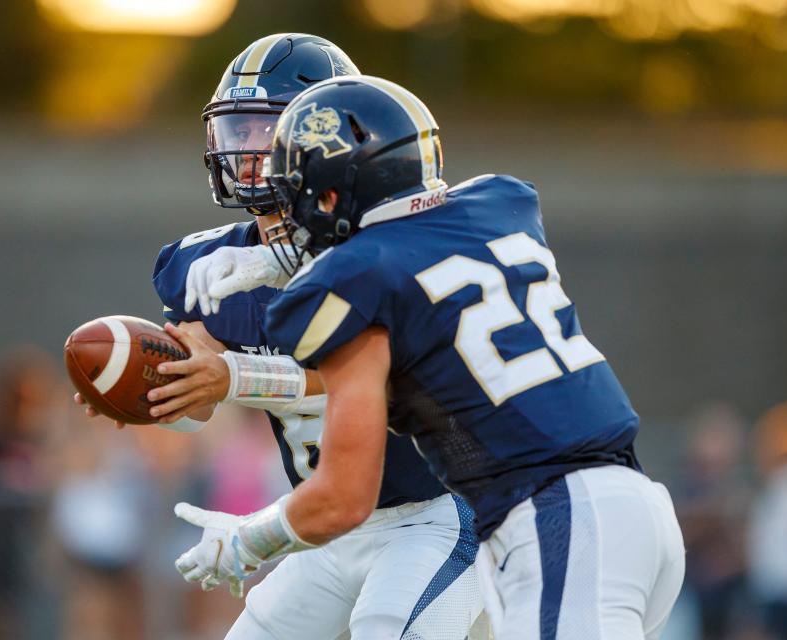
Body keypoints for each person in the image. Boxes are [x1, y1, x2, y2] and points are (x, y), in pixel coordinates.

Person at [167, 75, 686, 639]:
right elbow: (413, 240)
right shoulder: (498, 201)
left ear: (333, 196)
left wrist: (247, 539)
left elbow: (341, 497)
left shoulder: (353, 285)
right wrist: (275, 267)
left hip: (553, 521)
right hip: (630, 506)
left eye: (302, 195)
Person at [80, 35, 484, 639]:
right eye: (235, 131)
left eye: (264, 133)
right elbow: (200, 412)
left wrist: (235, 375)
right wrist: (154, 397)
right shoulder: (203, 266)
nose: (245, 152)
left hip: (438, 514)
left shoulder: (383, 250)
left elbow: (382, 381)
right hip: (326, 527)